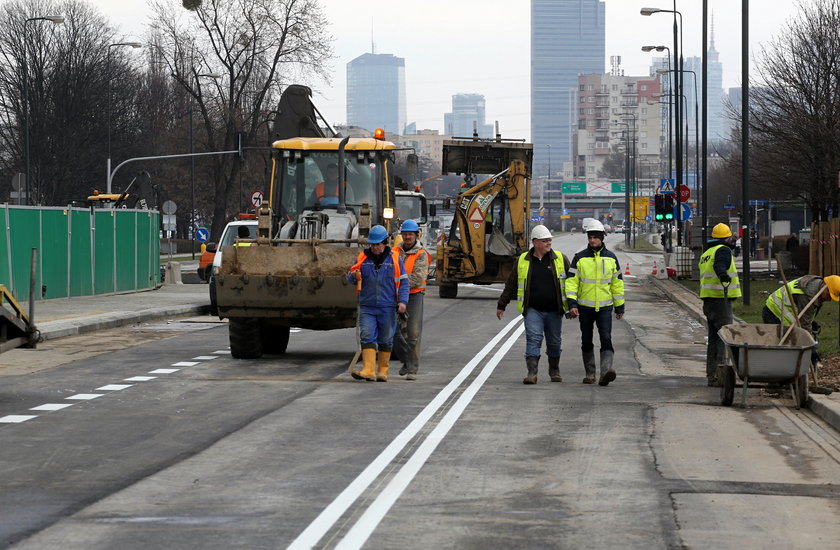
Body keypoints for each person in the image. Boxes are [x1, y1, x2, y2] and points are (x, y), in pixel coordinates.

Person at [496, 225, 570, 384]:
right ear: (535, 242)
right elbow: (512, 283)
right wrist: (502, 304)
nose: (549, 243)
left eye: (549, 240)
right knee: (533, 339)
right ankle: (532, 373)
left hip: (555, 310)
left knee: (554, 341)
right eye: (545, 241)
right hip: (532, 309)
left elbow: (571, 284)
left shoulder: (560, 258)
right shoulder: (523, 260)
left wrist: (574, 305)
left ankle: (554, 369)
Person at [565, 220, 624, 386]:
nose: (592, 240)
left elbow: (617, 284)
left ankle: (605, 372)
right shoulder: (579, 258)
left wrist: (620, 306)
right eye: (590, 237)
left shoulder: (611, 258)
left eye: (596, 237)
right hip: (585, 308)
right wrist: (572, 304)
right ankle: (590, 373)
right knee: (586, 339)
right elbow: (571, 282)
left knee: (606, 338)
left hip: (605, 308)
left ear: (602, 238)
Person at [348, 225, 409, 382]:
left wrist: (402, 301)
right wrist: (354, 275)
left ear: (385, 242)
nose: (375, 247)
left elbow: (403, 282)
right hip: (367, 306)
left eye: (378, 244)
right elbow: (348, 277)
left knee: (386, 339)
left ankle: (383, 371)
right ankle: (368, 370)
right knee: (367, 335)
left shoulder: (394, 260)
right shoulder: (362, 258)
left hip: (387, 306)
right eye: (373, 244)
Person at [699, 223, 742, 387]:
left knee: (714, 339)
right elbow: (720, 265)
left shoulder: (707, 252)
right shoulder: (723, 250)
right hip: (720, 300)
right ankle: (722, 376)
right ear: (727, 237)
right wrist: (723, 275)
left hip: (708, 300)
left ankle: (712, 375)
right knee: (725, 338)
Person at [392, 219, 431, 380]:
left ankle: (413, 368)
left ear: (416, 235)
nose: (407, 237)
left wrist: (396, 279)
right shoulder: (394, 251)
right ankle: (406, 362)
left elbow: (417, 278)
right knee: (394, 331)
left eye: (410, 234)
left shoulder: (422, 254)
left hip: (414, 295)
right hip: (395, 295)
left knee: (413, 333)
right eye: (405, 234)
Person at [762, 275, 840, 335]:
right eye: (829, 295)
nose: (829, 299)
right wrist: (811, 348)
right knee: (781, 344)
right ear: (824, 286)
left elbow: (806, 318)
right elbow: (804, 324)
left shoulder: (817, 285)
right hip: (774, 311)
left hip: (782, 309)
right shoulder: (807, 297)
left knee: (792, 341)